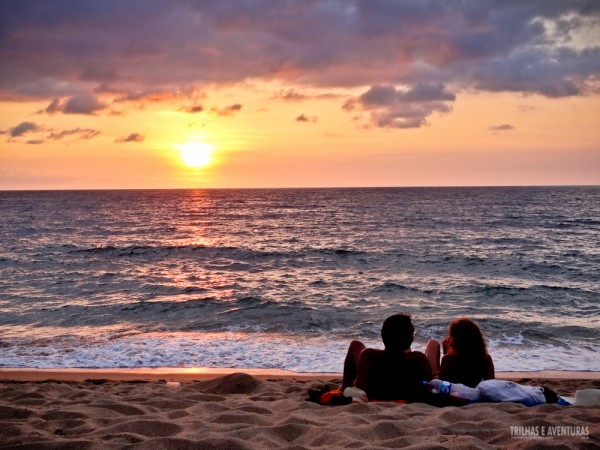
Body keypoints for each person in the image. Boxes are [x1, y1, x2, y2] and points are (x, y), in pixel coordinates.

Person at [341, 313, 432, 401]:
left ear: (384, 334)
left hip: (376, 393)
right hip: (404, 393)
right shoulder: (418, 358)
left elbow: (360, 387)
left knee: (356, 344)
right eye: (412, 333)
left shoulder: (369, 355)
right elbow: (428, 387)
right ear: (408, 339)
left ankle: (343, 387)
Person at [426, 317, 495, 388]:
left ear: (458, 341)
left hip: (444, 385)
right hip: (470, 383)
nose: (449, 338)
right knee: (445, 341)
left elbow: (444, 384)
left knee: (432, 343)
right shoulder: (485, 358)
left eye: (452, 335)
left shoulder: (448, 359)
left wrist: (436, 374)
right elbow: (491, 385)